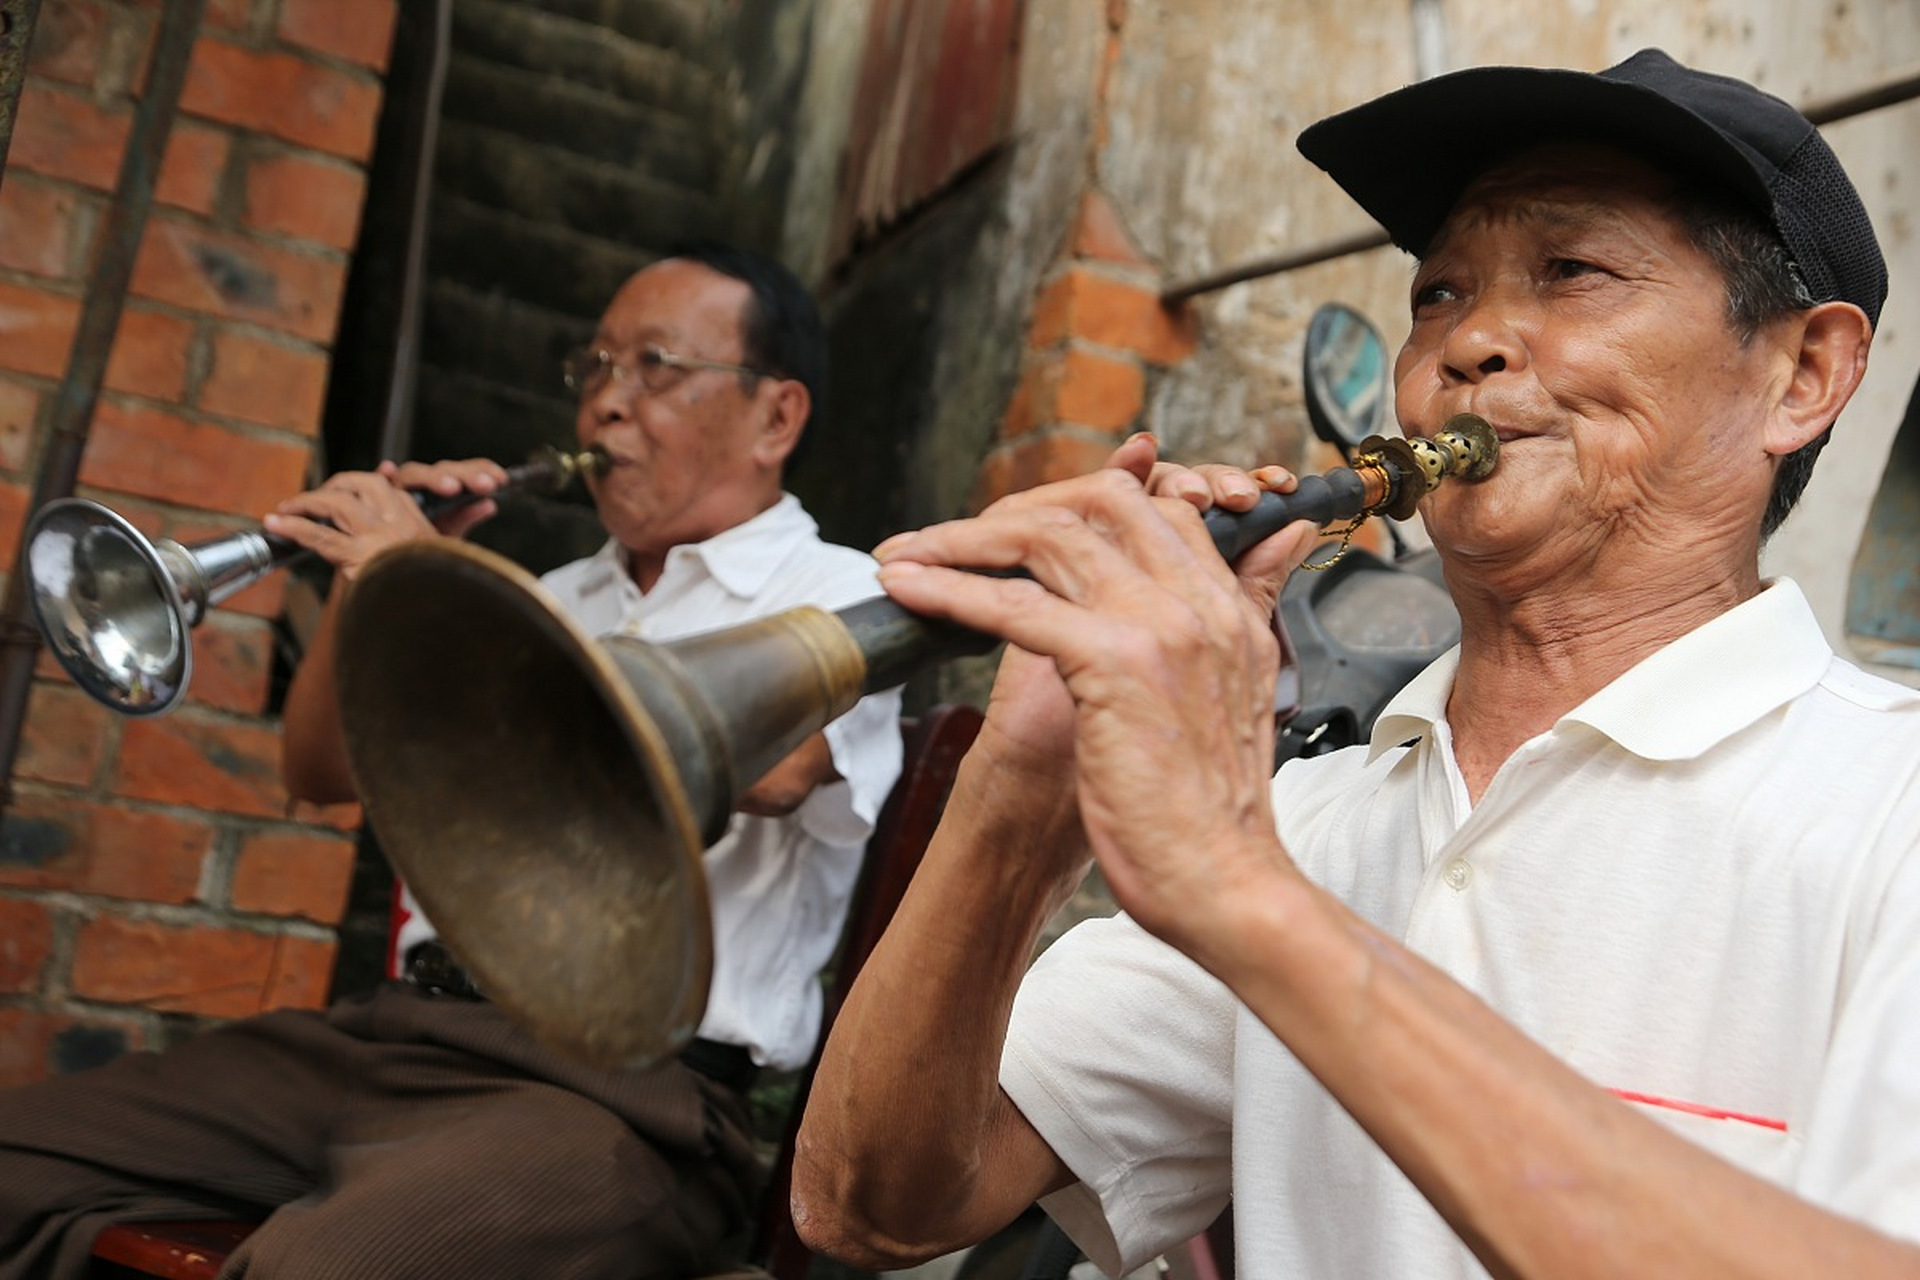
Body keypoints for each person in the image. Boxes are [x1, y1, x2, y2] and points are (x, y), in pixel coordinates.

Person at [790, 49, 1920, 1279]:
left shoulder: (1890, 808)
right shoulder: (1306, 821)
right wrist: (1021, 793)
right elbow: (873, 1205)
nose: (1468, 341)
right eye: (1439, 293)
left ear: (1803, 373)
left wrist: (1243, 893)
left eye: (1573, 272)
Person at [0, 243, 903, 1279]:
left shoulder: (844, 593)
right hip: (399, 1034)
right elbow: (323, 771)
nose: (606, 402)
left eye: (656, 366)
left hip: (619, 1097)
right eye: (596, 366)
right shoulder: (555, 596)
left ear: (776, 417)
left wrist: (426, 577)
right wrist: (374, 589)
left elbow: (776, 767)